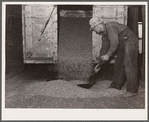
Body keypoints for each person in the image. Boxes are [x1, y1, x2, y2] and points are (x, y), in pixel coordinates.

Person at [89, 16, 139, 98]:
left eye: (94, 29)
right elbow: (104, 49)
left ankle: (132, 90)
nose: (94, 32)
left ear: (97, 26)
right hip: (122, 44)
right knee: (118, 65)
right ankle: (116, 86)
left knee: (129, 65)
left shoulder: (110, 26)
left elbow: (114, 43)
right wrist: (99, 64)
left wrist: (108, 55)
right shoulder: (104, 34)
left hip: (129, 40)